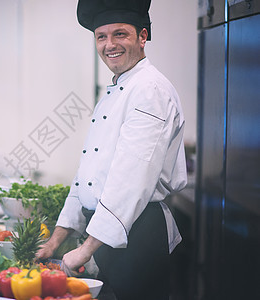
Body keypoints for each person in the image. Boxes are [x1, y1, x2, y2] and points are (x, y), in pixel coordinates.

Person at [36, 1, 187, 299]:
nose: (109, 45)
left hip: (139, 237)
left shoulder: (149, 90)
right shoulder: (119, 88)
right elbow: (87, 174)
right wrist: (56, 240)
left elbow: (130, 180)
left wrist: (85, 249)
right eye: (101, 36)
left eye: (120, 34)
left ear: (142, 37)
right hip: (109, 235)